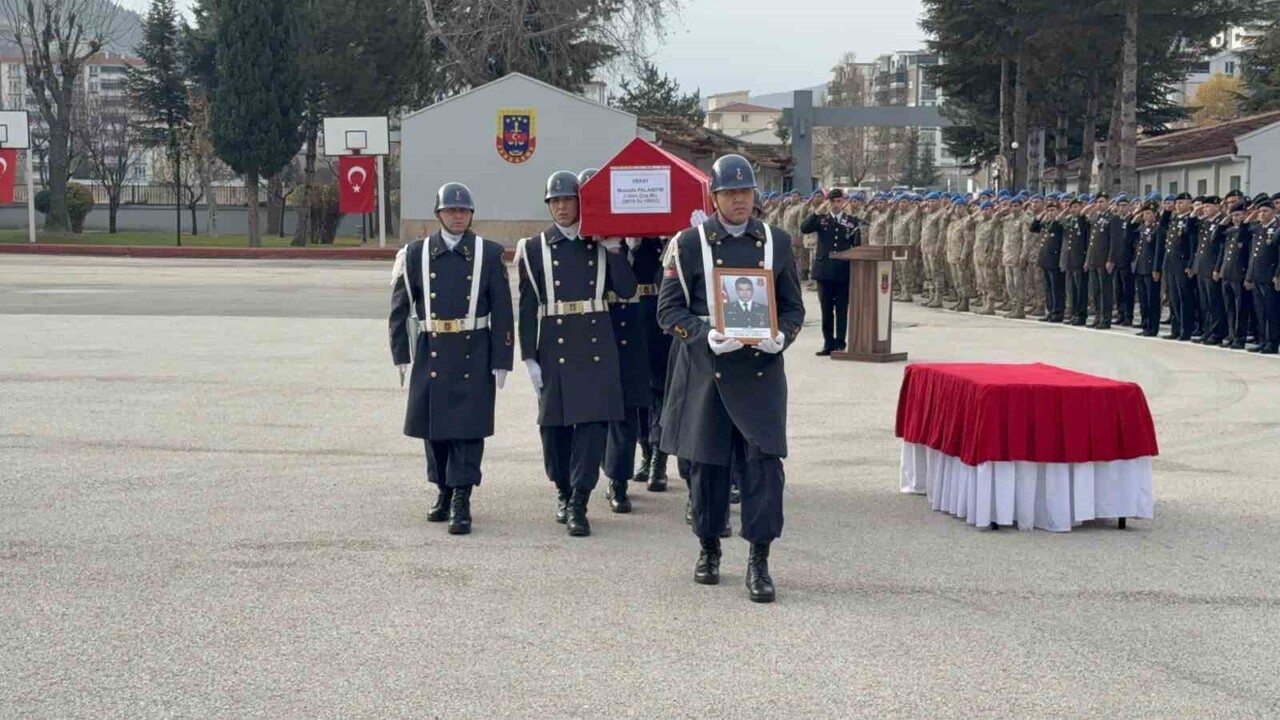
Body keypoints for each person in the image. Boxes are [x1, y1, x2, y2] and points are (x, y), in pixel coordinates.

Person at [658, 154, 805, 603]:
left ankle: (759, 560)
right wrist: (705, 335)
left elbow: (794, 306)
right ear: (715, 197)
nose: (740, 200)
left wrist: (781, 336)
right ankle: (708, 549)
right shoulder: (687, 243)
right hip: (708, 370)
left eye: (746, 192)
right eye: (730, 193)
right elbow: (668, 311)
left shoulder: (776, 242)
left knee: (763, 470)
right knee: (706, 468)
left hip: (760, 373)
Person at [516, 171, 638, 537]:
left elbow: (628, 289)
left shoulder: (599, 243)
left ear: (580, 202)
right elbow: (526, 306)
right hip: (554, 343)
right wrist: (528, 356)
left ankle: (580, 500)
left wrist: (616, 250)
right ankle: (562, 489)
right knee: (553, 427)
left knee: (591, 426)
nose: (561, 207)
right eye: (555, 201)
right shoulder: (534, 247)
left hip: (596, 343)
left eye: (567, 200)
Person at [389, 182, 514, 535]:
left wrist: (503, 357)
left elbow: (503, 310)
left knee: (468, 429)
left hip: (474, 350)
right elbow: (400, 307)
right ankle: (442, 489)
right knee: (435, 430)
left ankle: (462, 497)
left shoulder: (488, 254)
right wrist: (401, 352)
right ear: (438, 214)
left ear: (472, 214)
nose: (458, 215)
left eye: (464, 210)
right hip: (433, 349)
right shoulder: (416, 254)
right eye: (451, 210)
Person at [801, 188, 860, 355]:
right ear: (828, 203)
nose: (836, 205)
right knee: (826, 309)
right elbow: (804, 228)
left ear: (843, 202)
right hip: (824, 271)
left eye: (839, 201)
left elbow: (857, 247)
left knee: (842, 308)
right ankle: (828, 343)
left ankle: (840, 343)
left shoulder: (851, 222)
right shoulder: (822, 219)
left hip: (843, 271)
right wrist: (817, 212)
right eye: (832, 201)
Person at [1217, 201, 1254, 349]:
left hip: (1240, 275)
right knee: (1230, 308)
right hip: (1227, 274)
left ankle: (1239, 338)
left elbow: (1244, 241)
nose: (1235, 218)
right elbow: (1216, 237)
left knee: (1240, 309)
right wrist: (1225, 220)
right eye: (1233, 215)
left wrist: (1246, 221)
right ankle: (1232, 336)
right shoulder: (1230, 231)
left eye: (1238, 214)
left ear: (1245, 215)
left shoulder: (1249, 231)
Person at [1163, 193, 1199, 341]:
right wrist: (1166, 211)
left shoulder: (1190, 220)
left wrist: (1190, 264)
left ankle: (1186, 330)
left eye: (1181, 202)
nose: (1177, 205)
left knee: (1185, 299)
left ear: (1189, 204)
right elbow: (1162, 227)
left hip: (1182, 263)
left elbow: (1192, 245)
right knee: (1173, 298)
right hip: (1171, 263)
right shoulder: (1174, 218)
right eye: (1177, 202)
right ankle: (1175, 328)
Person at [1192, 197, 1228, 345]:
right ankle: (1207, 331)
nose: (1204, 209)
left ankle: (1217, 333)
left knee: (1215, 303)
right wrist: (1195, 212)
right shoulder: (1205, 222)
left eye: (1207, 206)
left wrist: (1217, 268)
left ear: (1217, 207)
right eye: (1204, 207)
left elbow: (1221, 248)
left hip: (1212, 267)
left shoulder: (1222, 223)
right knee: (1204, 303)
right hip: (1201, 267)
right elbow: (1189, 228)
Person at [1246, 200, 1279, 354]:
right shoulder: (1258, 229)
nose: (1261, 214)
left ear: (1273, 212)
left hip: (1269, 275)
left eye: (1265, 211)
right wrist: (1249, 276)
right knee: (1260, 310)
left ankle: (1272, 342)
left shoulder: (1277, 228)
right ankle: (1263, 340)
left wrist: (1278, 274)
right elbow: (1253, 254)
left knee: (1271, 310)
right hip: (1257, 275)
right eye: (1260, 211)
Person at [1132, 201, 1165, 337]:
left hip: (1151, 269)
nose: (1146, 216)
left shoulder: (1158, 229)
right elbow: (1130, 231)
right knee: (1143, 300)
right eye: (1144, 213)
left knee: (1152, 299)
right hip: (1140, 267)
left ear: (1155, 215)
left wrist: (1156, 269)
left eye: (1149, 213)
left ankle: (1153, 327)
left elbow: (1158, 250)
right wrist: (1136, 216)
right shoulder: (1142, 228)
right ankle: (1145, 324)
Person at [1032, 196, 1065, 323]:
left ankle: (1057, 312)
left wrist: (1057, 218)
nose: (1050, 213)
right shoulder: (1046, 222)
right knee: (1048, 287)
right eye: (1049, 210)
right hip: (1045, 259)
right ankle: (1050, 310)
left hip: (1055, 259)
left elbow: (1053, 229)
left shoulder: (1059, 223)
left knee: (1056, 288)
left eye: (1053, 210)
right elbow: (1033, 228)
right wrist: (1041, 215)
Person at [1058, 196, 1090, 326]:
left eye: (1076, 207)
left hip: (1079, 260)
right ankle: (1074, 314)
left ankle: (1081, 315)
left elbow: (1087, 242)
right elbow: (1057, 221)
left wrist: (1086, 260)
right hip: (1069, 260)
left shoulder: (1084, 221)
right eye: (1071, 207)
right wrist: (1065, 211)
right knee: (1071, 289)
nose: (1073, 209)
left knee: (1080, 289)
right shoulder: (1069, 221)